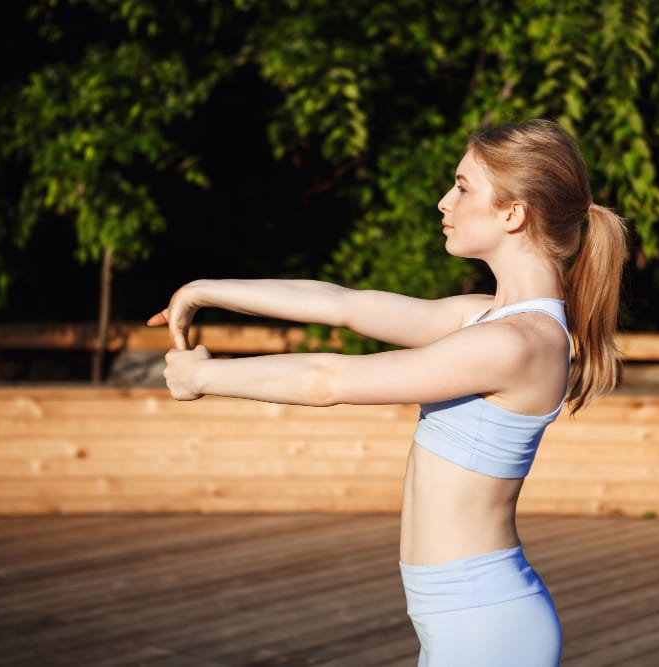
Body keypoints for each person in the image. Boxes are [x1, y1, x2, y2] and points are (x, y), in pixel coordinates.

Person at [148, 119, 629, 667]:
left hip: (484, 624)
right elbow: (344, 305)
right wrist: (202, 291)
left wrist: (202, 378)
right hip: (460, 617)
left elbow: (327, 381)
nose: (444, 202)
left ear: (513, 214)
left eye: (463, 187)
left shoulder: (517, 342)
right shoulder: (484, 318)